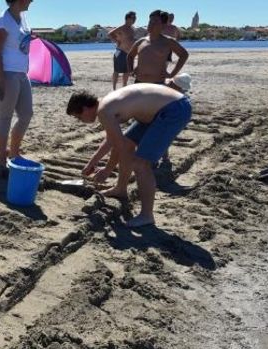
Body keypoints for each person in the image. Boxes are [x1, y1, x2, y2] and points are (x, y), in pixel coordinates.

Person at [67, 85, 192, 227]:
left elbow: (117, 145)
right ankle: (120, 189)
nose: (80, 121)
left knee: (140, 164)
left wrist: (107, 170)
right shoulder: (106, 104)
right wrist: (92, 163)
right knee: (127, 144)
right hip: (163, 109)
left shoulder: (104, 111)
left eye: (78, 117)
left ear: (85, 108)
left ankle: (147, 215)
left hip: (174, 110)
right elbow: (112, 140)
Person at [0, 0, 34, 183]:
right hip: (6, 73)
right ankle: (1, 164)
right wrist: (2, 79)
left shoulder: (23, 18)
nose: (32, 0)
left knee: (26, 114)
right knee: (5, 118)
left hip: (21, 72)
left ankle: (14, 154)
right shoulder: (2, 22)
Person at [127, 10, 189, 85]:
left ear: (163, 25)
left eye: (155, 22)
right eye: (150, 21)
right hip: (139, 82)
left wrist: (172, 74)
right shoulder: (141, 41)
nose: (151, 24)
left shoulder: (167, 41)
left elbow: (184, 55)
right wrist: (131, 70)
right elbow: (130, 56)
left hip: (157, 83)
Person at [108, 11, 137, 90]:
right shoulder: (122, 27)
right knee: (116, 71)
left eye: (135, 18)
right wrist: (117, 41)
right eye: (133, 18)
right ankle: (114, 88)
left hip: (129, 53)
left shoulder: (132, 29)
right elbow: (110, 34)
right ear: (127, 18)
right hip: (121, 52)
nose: (134, 19)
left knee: (127, 72)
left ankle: (124, 87)